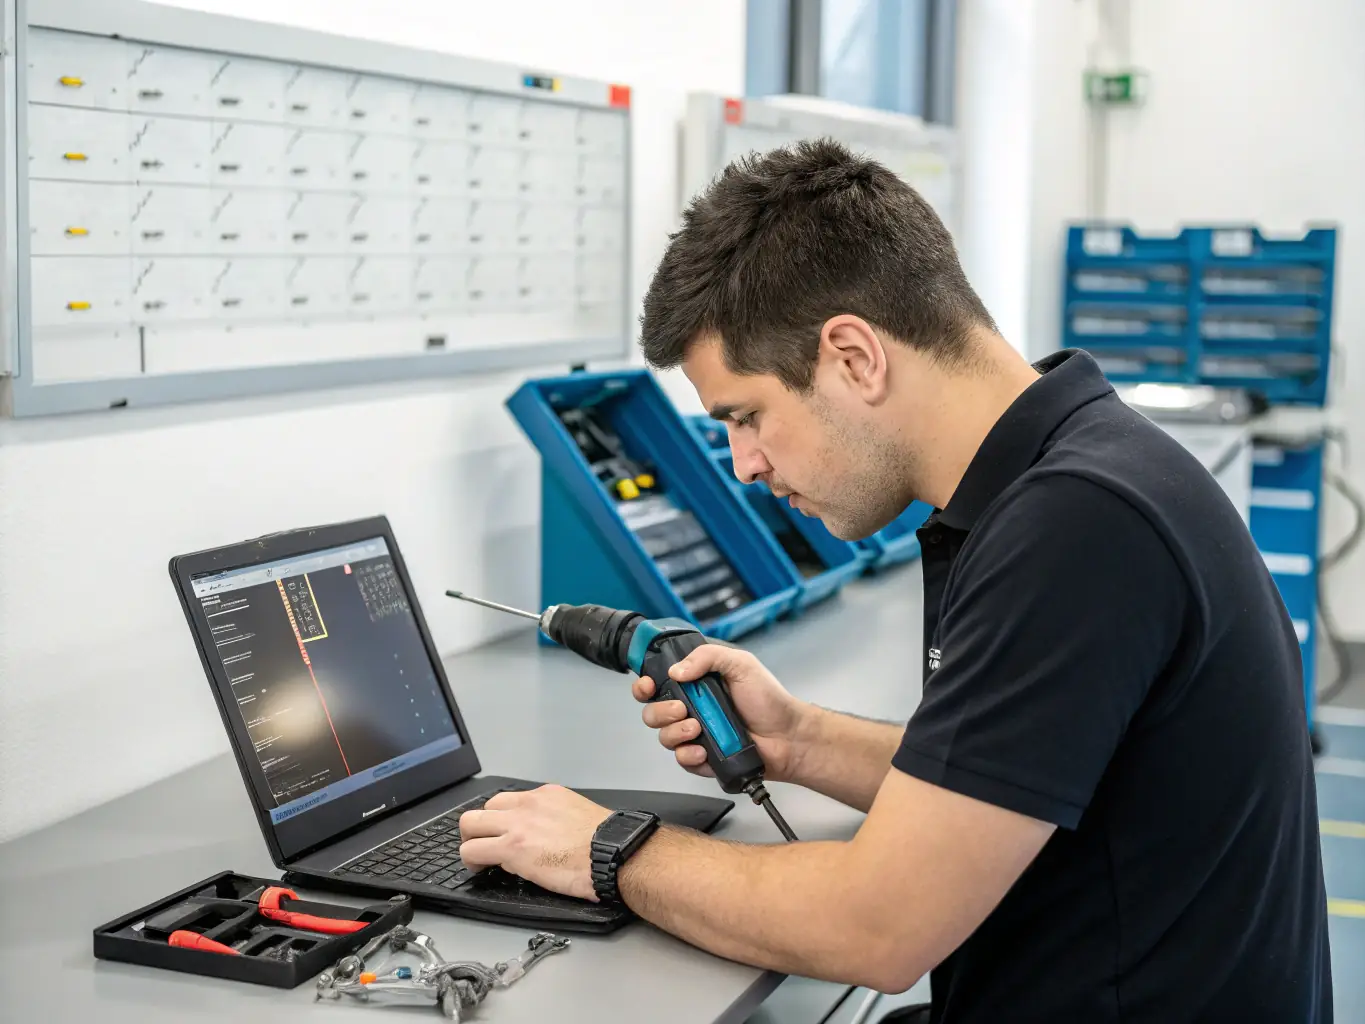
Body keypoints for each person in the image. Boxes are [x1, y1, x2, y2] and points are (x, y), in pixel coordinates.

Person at [457, 139, 1332, 1022]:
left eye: (746, 416)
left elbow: (877, 929)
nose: (744, 464)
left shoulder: (1076, 528)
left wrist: (605, 849)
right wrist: (796, 739)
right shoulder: (1076, 473)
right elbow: (1000, 781)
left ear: (854, 357)